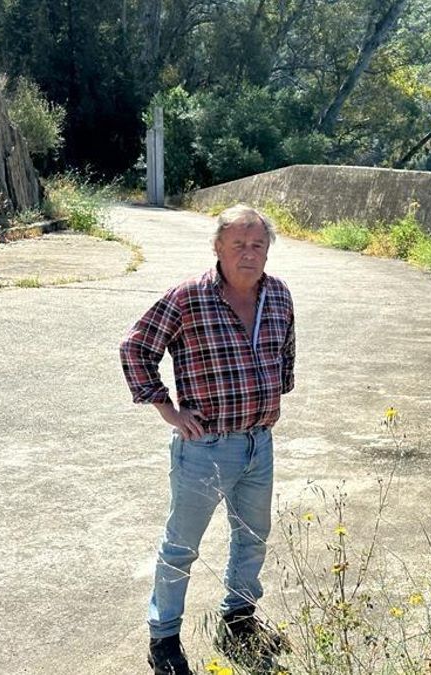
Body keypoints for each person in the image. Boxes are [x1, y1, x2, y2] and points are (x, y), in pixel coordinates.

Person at [120, 204, 296, 675]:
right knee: (181, 546)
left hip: (259, 443)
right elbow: (136, 348)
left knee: (253, 537)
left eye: (257, 244)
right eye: (238, 244)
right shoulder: (188, 298)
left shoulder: (277, 296)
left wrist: (268, 397)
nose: (249, 254)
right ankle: (164, 640)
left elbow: (286, 355)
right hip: (206, 448)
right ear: (218, 247)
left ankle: (238, 618)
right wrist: (166, 409)